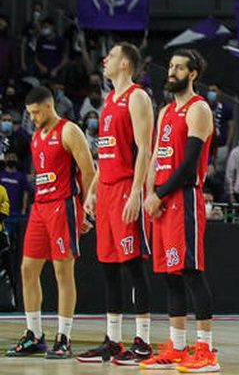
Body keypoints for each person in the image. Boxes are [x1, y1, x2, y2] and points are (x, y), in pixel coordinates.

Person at [142, 48, 219, 372]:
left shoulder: (198, 109)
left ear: (193, 74)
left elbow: (189, 165)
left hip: (183, 198)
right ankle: (176, 346)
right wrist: (149, 193)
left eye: (179, 68)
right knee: (170, 276)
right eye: (170, 66)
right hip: (161, 201)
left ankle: (206, 350)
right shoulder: (165, 112)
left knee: (190, 272)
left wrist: (159, 194)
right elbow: (156, 157)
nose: (171, 71)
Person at [77, 42, 154, 365]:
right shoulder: (109, 99)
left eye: (111, 56)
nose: (104, 60)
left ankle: (143, 342)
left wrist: (137, 192)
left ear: (125, 64)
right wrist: (92, 191)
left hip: (125, 187)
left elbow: (145, 148)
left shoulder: (137, 96)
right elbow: (105, 153)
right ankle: (113, 340)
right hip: (106, 190)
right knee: (109, 266)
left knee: (132, 264)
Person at [6, 86, 94, 358]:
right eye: (29, 113)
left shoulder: (69, 131)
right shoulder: (36, 137)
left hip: (63, 205)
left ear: (48, 106)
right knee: (27, 269)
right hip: (40, 207)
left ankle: (63, 337)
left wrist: (86, 209)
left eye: (35, 112)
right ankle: (34, 335)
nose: (32, 118)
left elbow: (89, 171)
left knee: (62, 271)